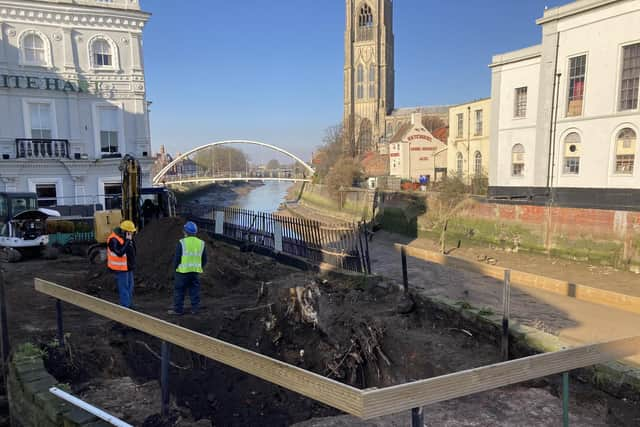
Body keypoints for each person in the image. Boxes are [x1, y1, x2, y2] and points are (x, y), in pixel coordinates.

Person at [169, 221, 207, 316]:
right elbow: (205, 259)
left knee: (179, 291)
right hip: (195, 272)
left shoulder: (182, 243)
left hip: (182, 272)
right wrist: (199, 267)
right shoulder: (201, 243)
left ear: (185, 231)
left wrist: (175, 268)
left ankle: (178, 310)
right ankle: (195, 309)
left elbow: (177, 258)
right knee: (194, 290)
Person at [107, 220, 137, 309]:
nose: (132, 234)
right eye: (130, 232)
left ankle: (129, 304)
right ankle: (125, 307)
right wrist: (127, 241)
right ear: (124, 231)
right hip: (121, 267)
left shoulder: (127, 238)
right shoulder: (114, 239)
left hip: (128, 266)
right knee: (124, 287)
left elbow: (132, 251)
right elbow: (119, 252)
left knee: (130, 287)